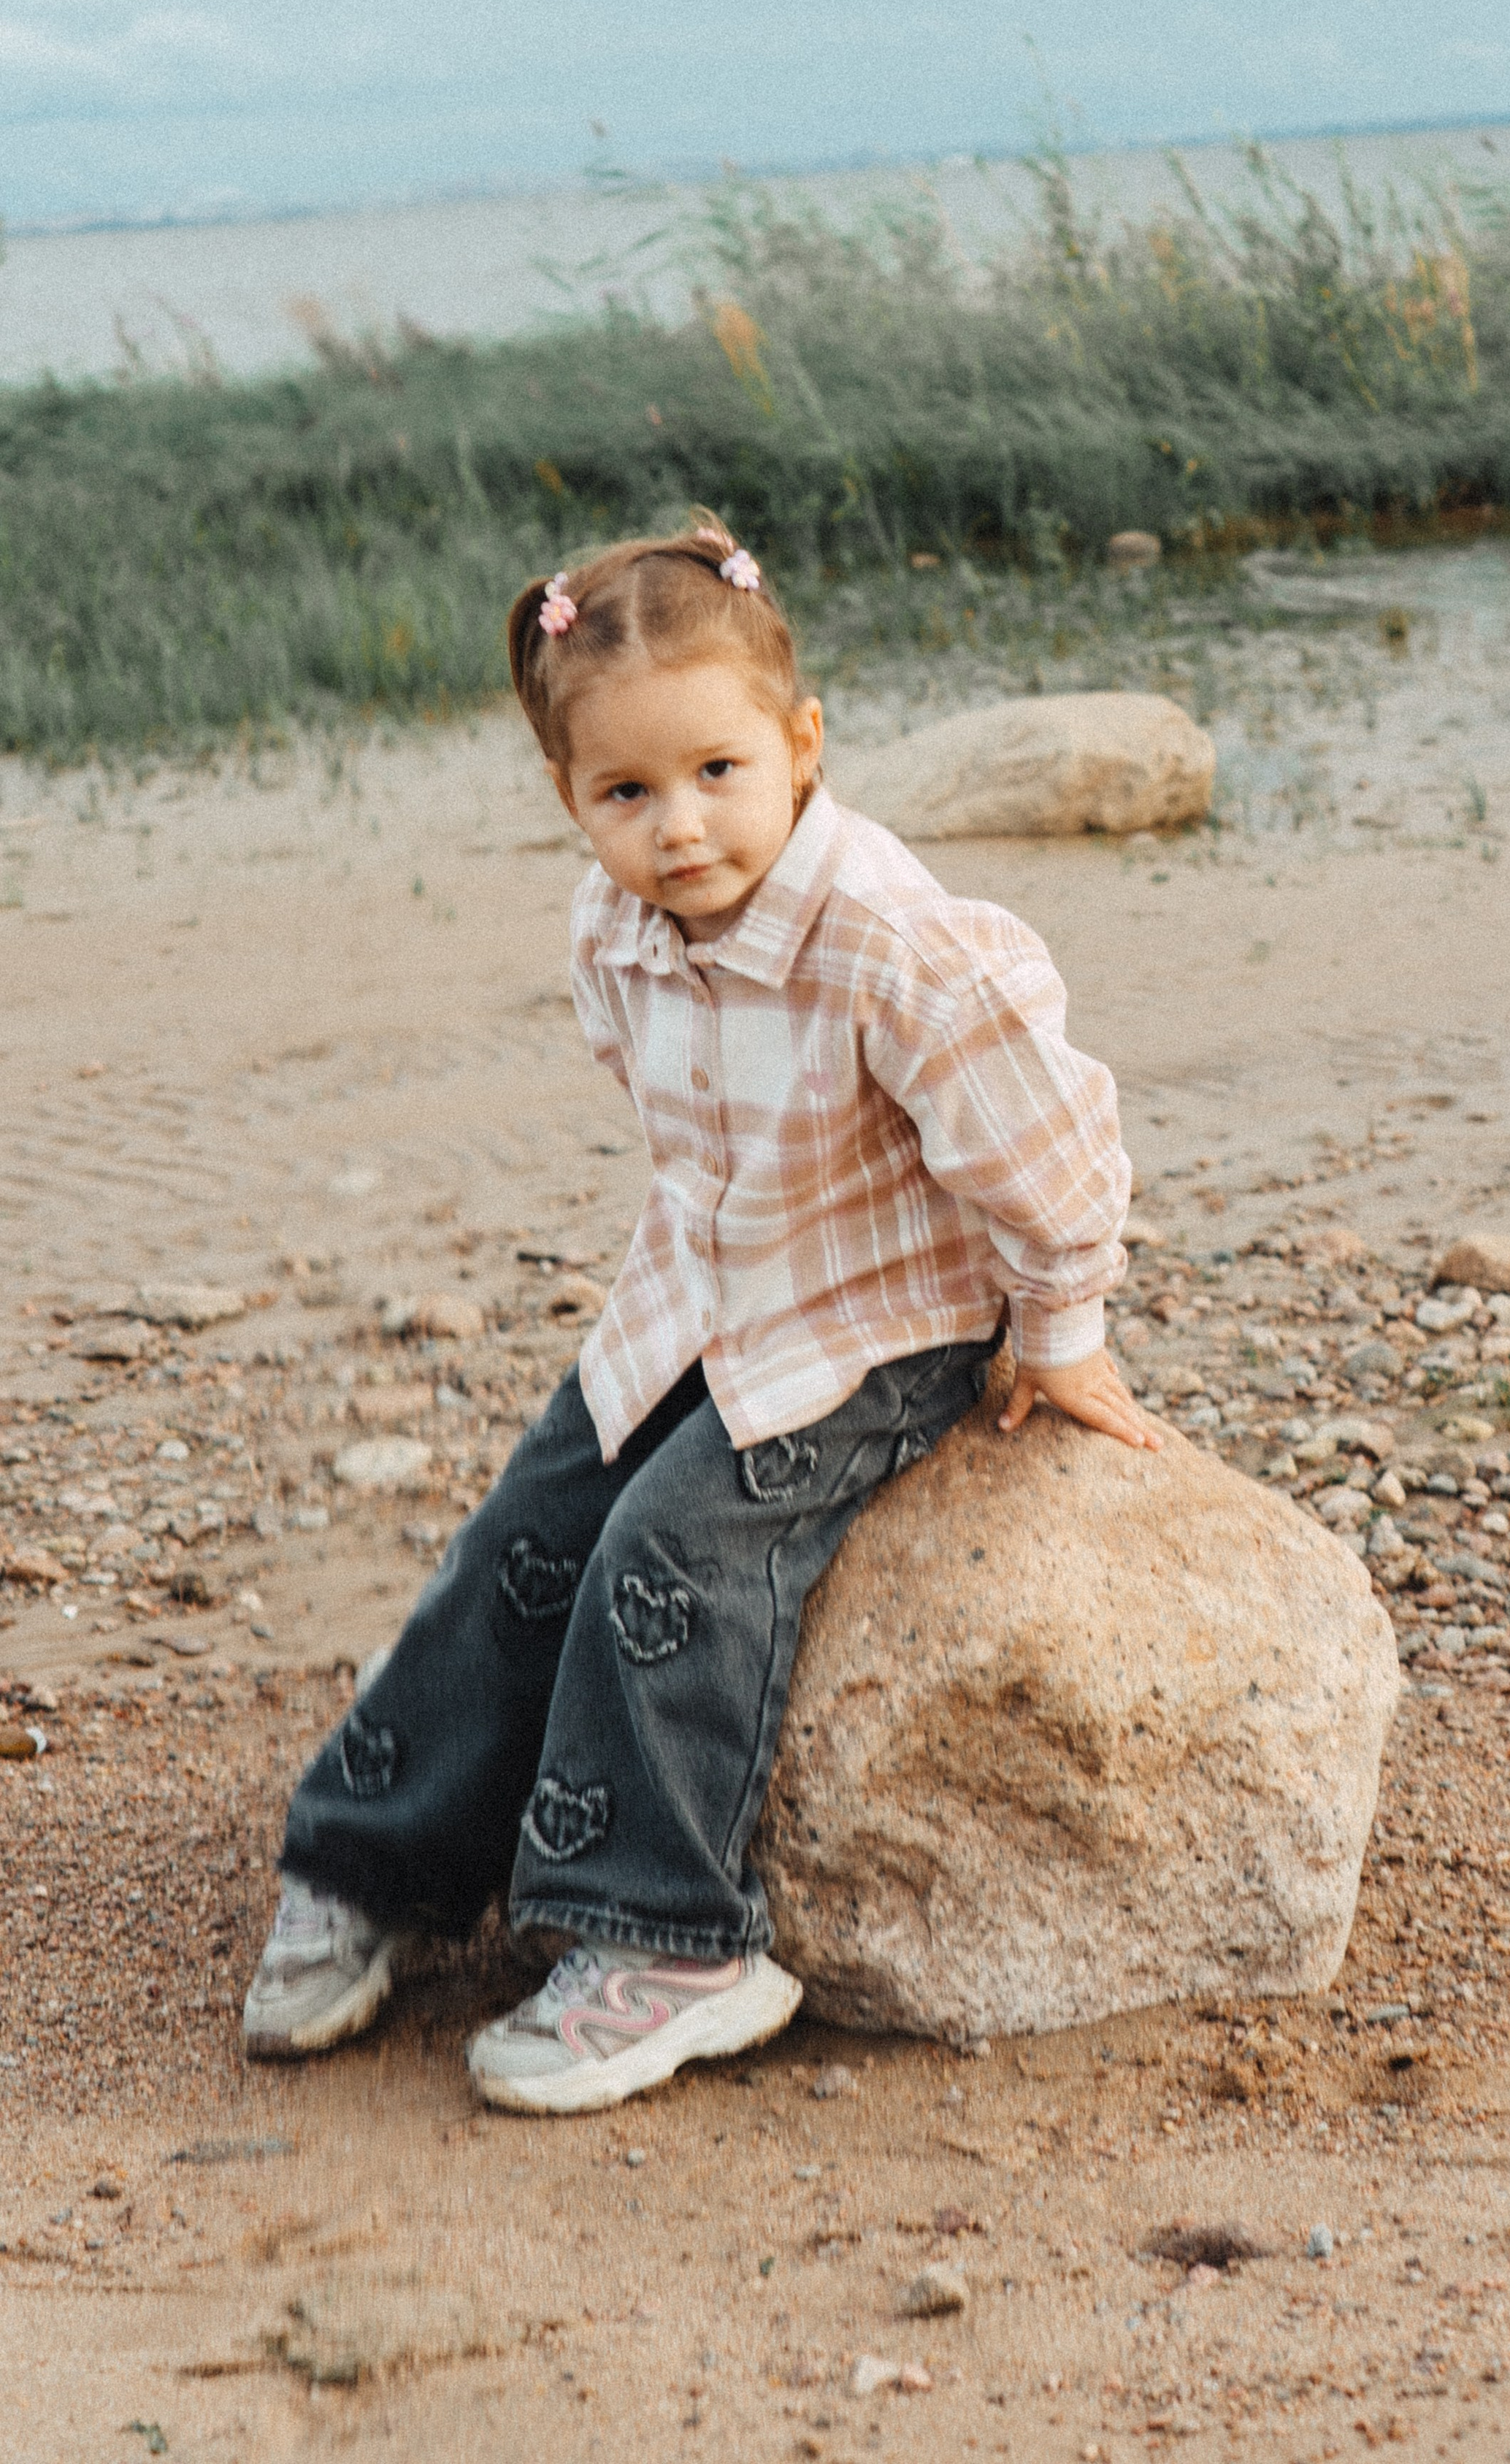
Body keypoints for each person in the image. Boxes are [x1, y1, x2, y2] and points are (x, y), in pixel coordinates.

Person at [242, 514, 1159, 2116]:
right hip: (701, 1291)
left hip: (880, 1323)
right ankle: (378, 1860)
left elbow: (1037, 1132)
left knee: (669, 1554)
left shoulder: (886, 936)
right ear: (570, 799)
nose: (678, 828)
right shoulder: (613, 929)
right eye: (627, 794)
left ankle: (671, 1942)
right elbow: (694, 1144)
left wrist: (1059, 1329)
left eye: (718, 772)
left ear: (802, 744)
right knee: (532, 1528)